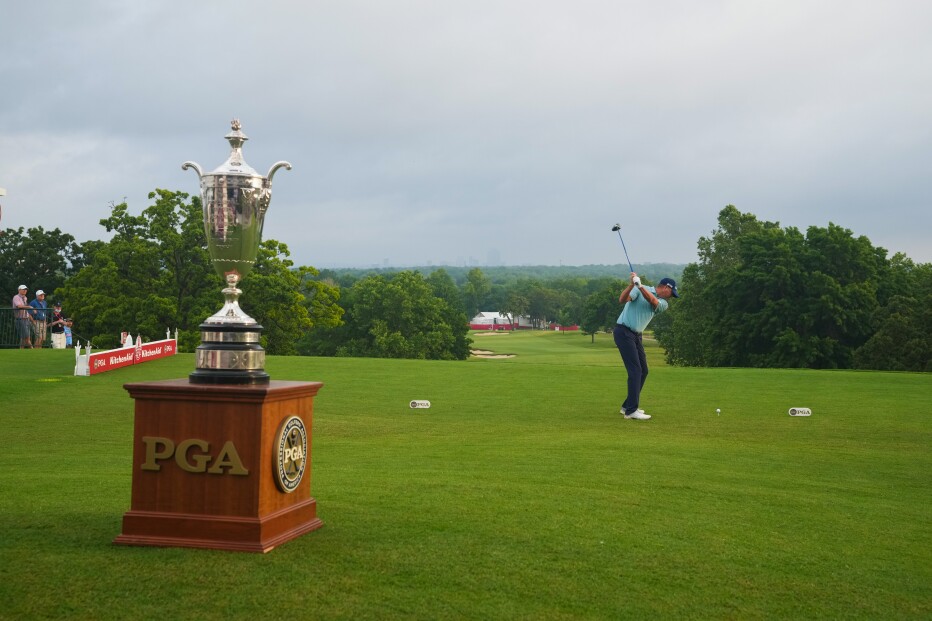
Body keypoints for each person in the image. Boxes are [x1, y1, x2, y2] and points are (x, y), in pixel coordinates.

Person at [613, 273, 678, 420]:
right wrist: (631, 285)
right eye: (671, 293)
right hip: (623, 331)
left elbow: (653, 301)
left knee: (644, 371)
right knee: (635, 370)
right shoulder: (638, 288)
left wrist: (640, 286)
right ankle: (631, 411)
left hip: (636, 335)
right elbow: (622, 299)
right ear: (666, 287)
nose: (671, 296)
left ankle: (627, 406)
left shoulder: (663, 303)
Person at [12, 285, 35, 349]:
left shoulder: (25, 298)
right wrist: (30, 307)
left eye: (26, 289)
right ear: (19, 290)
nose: (25, 290)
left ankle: (21, 350)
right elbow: (19, 306)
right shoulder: (16, 297)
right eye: (23, 289)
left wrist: (31, 318)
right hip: (20, 319)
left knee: (23, 337)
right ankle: (32, 350)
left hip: (26, 319)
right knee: (27, 337)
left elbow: (25, 308)